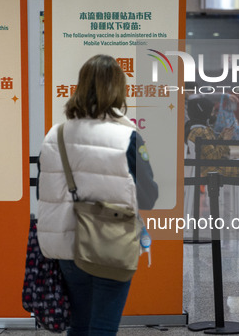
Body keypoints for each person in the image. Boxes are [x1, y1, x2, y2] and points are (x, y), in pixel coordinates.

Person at [37, 54, 158, 336]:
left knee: (79, 325)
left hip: (67, 243)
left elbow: (48, 189)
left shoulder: (55, 135)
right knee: (103, 326)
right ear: (118, 89)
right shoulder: (128, 137)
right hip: (111, 243)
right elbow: (149, 198)